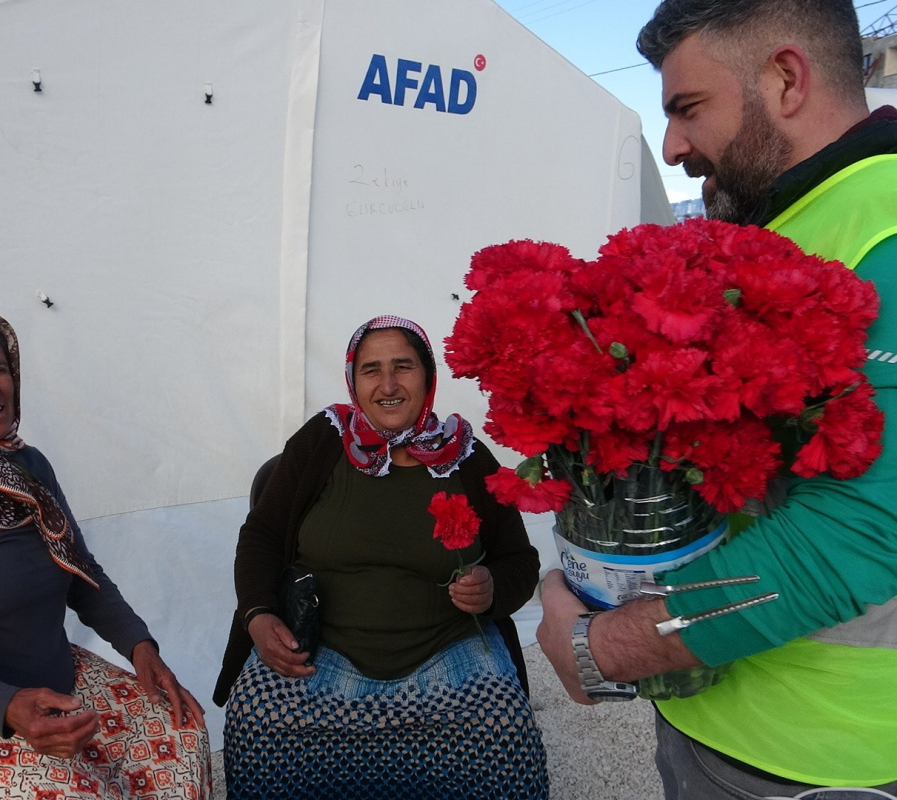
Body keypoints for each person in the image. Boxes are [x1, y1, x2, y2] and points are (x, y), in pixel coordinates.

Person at [537, 1, 897, 797]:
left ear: (786, 78)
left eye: (687, 108)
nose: (670, 145)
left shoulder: (887, 229)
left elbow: (868, 532)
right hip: (722, 725)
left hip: (827, 765)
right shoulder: (785, 224)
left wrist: (607, 649)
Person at [0, 311, 211, 799]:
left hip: (54, 679)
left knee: (183, 733)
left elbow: (80, 573)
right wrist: (3, 705)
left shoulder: (28, 465)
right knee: (75, 792)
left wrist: (140, 646)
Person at [214, 315, 548, 799]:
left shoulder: (466, 456)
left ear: (428, 376)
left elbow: (519, 559)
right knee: (256, 715)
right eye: (371, 369)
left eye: (403, 367)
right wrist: (259, 616)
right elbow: (262, 534)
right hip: (320, 654)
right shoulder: (321, 443)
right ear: (353, 379)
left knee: (504, 728)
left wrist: (492, 586)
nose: (388, 385)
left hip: (447, 653)